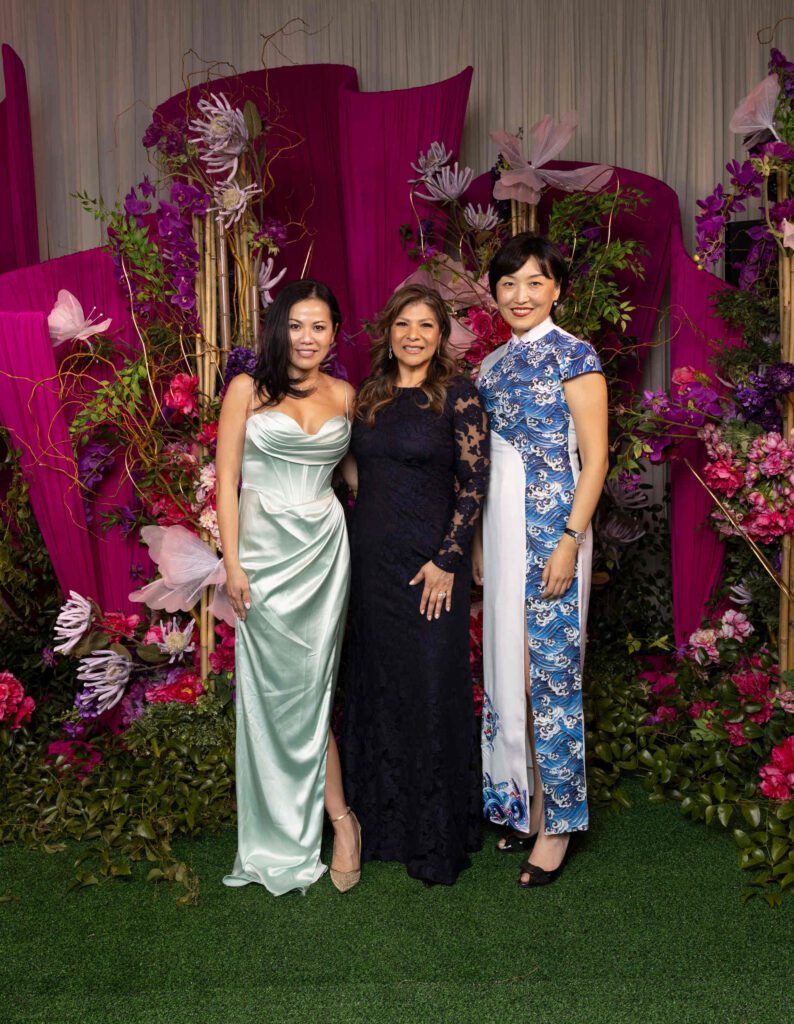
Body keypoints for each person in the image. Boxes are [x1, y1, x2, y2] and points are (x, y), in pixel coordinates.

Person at [216, 279, 361, 895]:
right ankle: (291, 830)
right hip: (264, 555)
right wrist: (232, 565)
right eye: (297, 325)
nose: (308, 337)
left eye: (320, 326)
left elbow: (359, 476)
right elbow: (227, 482)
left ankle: (340, 822)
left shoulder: (346, 394)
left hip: (324, 552)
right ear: (280, 329)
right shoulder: (247, 389)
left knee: (315, 686)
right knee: (270, 692)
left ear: (333, 333)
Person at [341, 283, 489, 886]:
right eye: (404, 324)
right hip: (370, 564)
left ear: (442, 335)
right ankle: (381, 827)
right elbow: (353, 466)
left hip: (431, 568)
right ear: (389, 330)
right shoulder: (370, 395)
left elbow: (475, 485)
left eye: (426, 325)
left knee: (431, 686)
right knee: (378, 685)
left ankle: (435, 836)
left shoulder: (459, 394)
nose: (413, 335)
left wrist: (448, 561)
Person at [474, 233, 608, 887]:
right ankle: (521, 804)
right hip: (497, 530)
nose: (520, 295)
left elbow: (596, 458)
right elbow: (480, 464)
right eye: (508, 284)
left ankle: (558, 825)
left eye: (534, 282)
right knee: (507, 666)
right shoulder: (489, 366)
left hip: (550, 530)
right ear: (493, 293)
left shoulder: (575, 354)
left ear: (556, 288)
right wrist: (475, 541)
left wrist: (568, 540)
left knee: (551, 675)